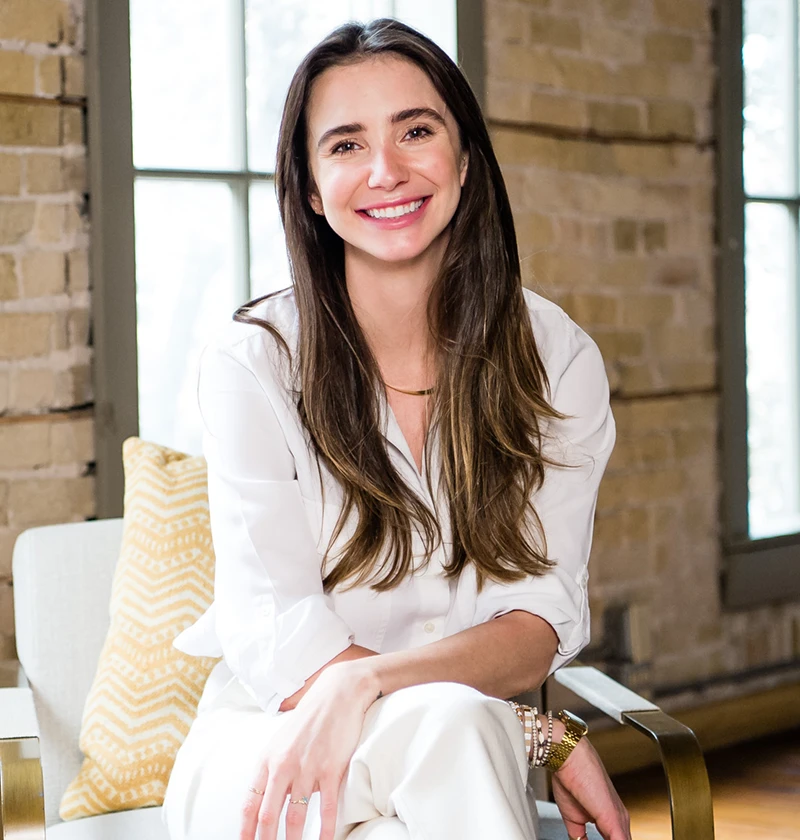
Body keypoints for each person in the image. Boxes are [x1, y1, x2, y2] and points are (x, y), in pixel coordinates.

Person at [162, 17, 629, 840]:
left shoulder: (555, 358)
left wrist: (366, 684)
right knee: (456, 727)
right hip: (273, 743)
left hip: (452, 748)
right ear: (309, 187)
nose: (387, 169)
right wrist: (533, 732)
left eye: (416, 130)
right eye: (344, 145)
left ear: (465, 160)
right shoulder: (252, 365)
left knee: (446, 742)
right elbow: (283, 638)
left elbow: (536, 627)